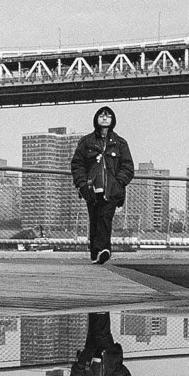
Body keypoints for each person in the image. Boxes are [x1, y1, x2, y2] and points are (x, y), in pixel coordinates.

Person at [69, 106, 135, 264]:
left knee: (105, 217)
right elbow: (77, 165)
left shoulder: (120, 143)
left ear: (113, 120)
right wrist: (82, 184)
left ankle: (103, 250)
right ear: (96, 119)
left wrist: (118, 183)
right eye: (101, 116)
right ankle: (95, 253)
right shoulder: (86, 142)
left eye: (108, 116)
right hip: (91, 188)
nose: (105, 119)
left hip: (111, 190)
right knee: (94, 219)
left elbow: (128, 167)